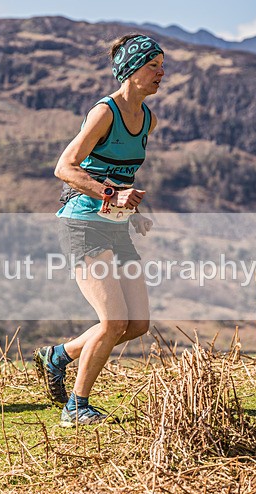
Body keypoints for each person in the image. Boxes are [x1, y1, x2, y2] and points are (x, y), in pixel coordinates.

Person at [34, 34, 163, 427]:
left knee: (137, 324)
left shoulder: (149, 120)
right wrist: (112, 194)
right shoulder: (104, 112)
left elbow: (122, 173)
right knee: (112, 322)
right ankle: (75, 407)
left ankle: (58, 356)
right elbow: (65, 167)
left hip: (115, 226)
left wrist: (132, 210)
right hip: (82, 223)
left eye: (162, 65)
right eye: (152, 65)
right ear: (129, 70)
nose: (161, 72)